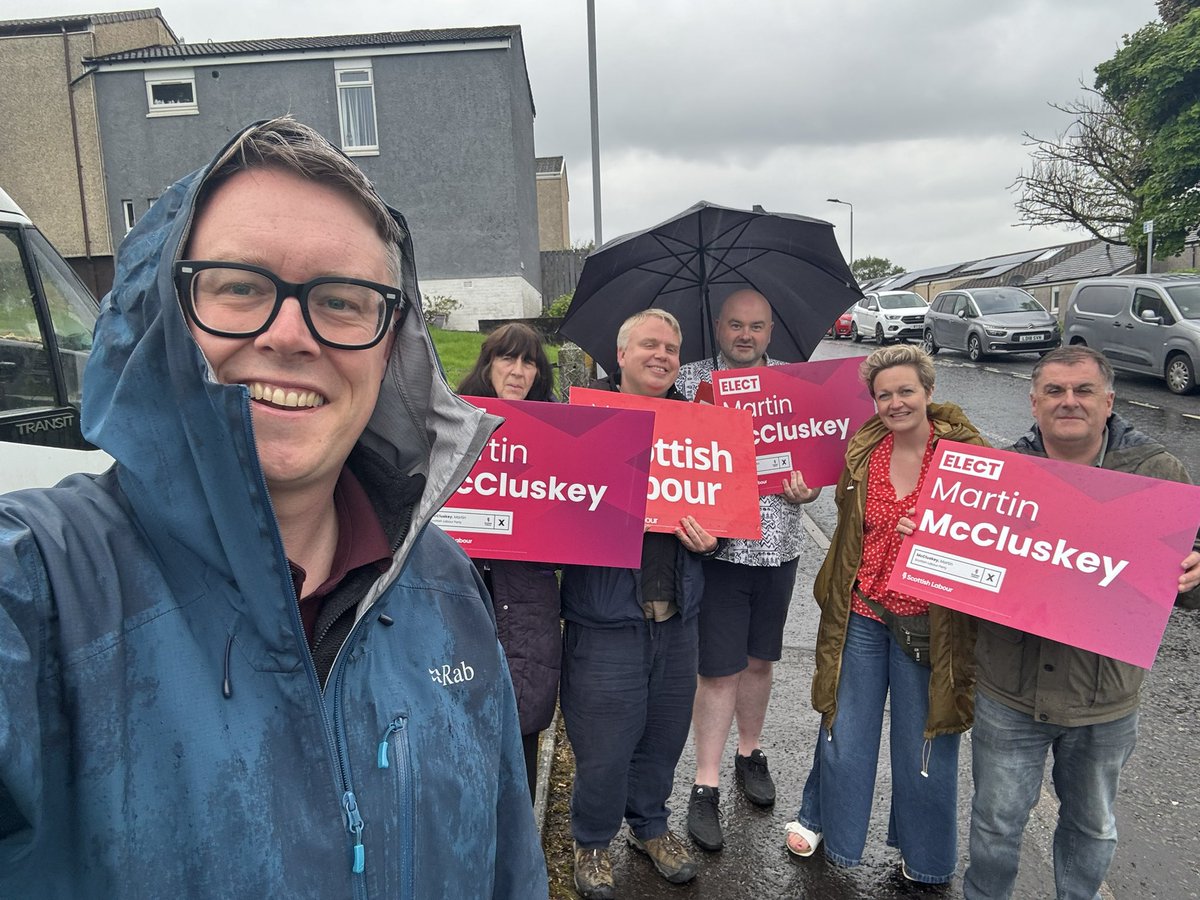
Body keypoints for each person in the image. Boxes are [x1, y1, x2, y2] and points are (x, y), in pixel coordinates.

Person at [0, 118, 548, 897]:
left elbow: (508, 867)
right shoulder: (43, 587)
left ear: (391, 343)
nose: (290, 335)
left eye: (344, 301)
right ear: (166, 318)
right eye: (239, 287)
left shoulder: (445, 584)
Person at [962, 345, 1200, 900]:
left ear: (1109, 400)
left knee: (1092, 828)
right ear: (1035, 402)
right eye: (1055, 391)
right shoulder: (1001, 474)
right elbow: (969, 580)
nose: (1069, 401)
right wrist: (934, 548)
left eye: (1083, 390)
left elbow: (1186, 582)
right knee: (995, 827)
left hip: (1104, 697)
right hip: (1010, 692)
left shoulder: (1158, 474)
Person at [784, 344, 984, 886]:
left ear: (929, 393)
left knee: (924, 744)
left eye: (906, 391)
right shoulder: (865, 451)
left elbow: (996, 544)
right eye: (884, 395)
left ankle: (926, 862)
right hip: (863, 611)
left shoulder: (971, 459)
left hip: (931, 624)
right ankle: (830, 830)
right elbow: (849, 526)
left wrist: (941, 531)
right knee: (843, 727)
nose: (895, 403)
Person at [560, 308, 720, 900]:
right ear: (620, 355)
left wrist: (716, 536)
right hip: (605, 618)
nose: (662, 356)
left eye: (672, 348)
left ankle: (649, 828)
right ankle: (592, 841)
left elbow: (721, 507)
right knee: (603, 745)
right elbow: (553, 501)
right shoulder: (582, 418)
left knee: (663, 736)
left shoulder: (701, 425)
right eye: (649, 344)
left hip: (677, 615)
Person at [673, 289, 820, 851]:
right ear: (717, 326)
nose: (745, 335)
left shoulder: (792, 382)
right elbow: (670, 456)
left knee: (760, 661)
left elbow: (813, 456)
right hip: (717, 551)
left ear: (771, 329)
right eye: (735, 324)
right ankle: (704, 783)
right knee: (717, 671)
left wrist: (810, 489)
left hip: (779, 547)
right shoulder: (689, 383)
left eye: (756, 326)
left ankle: (749, 753)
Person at [458, 323, 562, 800]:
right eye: (507, 359)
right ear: (488, 363)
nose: (518, 371)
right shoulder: (456, 420)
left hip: (528, 600)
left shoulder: (556, 432)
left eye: (529, 362)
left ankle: (520, 847)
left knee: (524, 714)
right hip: (466, 591)